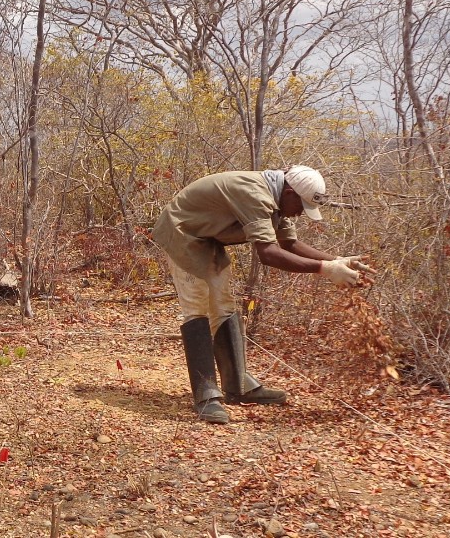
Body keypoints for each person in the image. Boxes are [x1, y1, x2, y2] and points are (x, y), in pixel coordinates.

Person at [152, 165, 374, 424]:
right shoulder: (256, 194)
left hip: (207, 239)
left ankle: (238, 385)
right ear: (290, 192)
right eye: (301, 205)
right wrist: (325, 269)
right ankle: (206, 395)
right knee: (197, 306)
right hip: (183, 233)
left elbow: (289, 244)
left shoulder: (278, 199)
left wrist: (338, 260)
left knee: (223, 305)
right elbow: (268, 254)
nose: (301, 213)